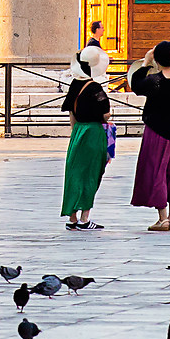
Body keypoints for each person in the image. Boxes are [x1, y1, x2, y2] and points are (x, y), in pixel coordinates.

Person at [129, 40, 170, 232]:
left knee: (157, 173)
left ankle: (163, 219)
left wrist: (145, 63)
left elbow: (135, 85)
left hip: (156, 131)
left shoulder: (155, 80)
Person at [60, 44, 113, 228]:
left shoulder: (74, 85)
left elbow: (71, 114)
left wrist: (74, 132)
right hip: (93, 133)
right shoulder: (95, 88)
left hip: (78, 133)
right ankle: (85, 218)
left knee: (75, 175)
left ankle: (72, 217)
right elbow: (106, 114)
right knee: (91, 174)